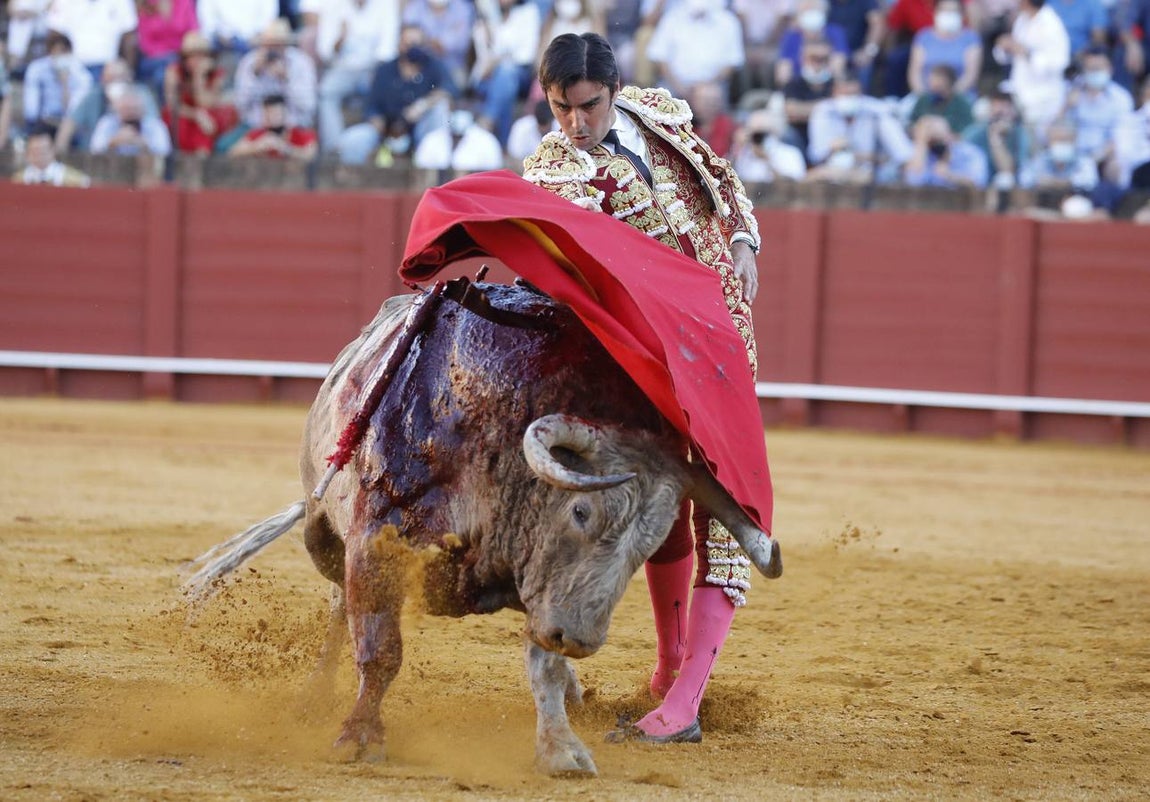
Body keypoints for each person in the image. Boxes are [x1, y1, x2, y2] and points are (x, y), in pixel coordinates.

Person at [523, 32, 763, 744]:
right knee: (672, 495)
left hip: (728, 338)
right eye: (562, 108)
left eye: (589, 106)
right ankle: (670, 675)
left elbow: (722, 181)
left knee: (726, 508)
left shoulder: (660, 113)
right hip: (653, 356)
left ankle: (681, 697)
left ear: (616, 92)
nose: (576, 123)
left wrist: (745, 242)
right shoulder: (550, 172)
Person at [336, 24, 457, 165]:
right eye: (408, 43)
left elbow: (450, 89)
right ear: (399, 44)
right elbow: (372, 105)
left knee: (440, 109)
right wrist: (377, 122)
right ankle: (354, 182)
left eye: (417, 43)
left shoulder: (433, 66)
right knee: (353, 140)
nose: (412, 48)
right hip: (388, 132)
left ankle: (431, 172)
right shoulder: (385, 70)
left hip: (421, 131)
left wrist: (422, 105)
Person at [313, 0, 403, 153]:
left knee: (384, 90)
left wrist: (376, 73)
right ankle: (334, 148)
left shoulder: (386, 4)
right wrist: (340, 39)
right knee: (326, 92)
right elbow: (325, 51)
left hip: (374, 68)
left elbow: (387, 49)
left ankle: (381, 144)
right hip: (343, 68)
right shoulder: (333, 6)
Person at [806, 71, 913, 183]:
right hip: (832, 174)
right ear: (835, 92)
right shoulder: (823, 111)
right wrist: (831, 150)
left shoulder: (877, 110)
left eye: (853, 94)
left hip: (872, 176)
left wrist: (857, 157)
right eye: (846, 94)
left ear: (861, 93)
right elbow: (816, 156)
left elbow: (902, 153)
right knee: (816, 176)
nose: (850, 98)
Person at [470, 0, 542, 146]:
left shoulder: (528, 12)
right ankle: (503, 145)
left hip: (519, 73)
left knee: (506, 73)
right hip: (486, 76)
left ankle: (488, 120)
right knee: (503, 88)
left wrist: (497, 61)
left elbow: (525, 55)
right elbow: (483, 57)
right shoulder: (487, 14)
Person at [993, 0, 1071, 130]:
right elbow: (1008, 55)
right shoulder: (1022, 20)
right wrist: (1006, 47)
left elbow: (1059, 64)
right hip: (1019, 91)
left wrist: (1027, 53)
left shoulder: (1051, 24)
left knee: (1036, 142)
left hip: (1044, 99)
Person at [56, 57, 159, 153]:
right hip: (98, 160)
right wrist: (61, 157)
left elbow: (153, 126)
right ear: (103, 80)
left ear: (129, 77)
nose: (116, 82)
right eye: (111, 78)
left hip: (141, 158)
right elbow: (69, 124)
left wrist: (134, 137)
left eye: (120, 77)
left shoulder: (141, 94)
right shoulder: (94, 95)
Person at [646, 0, 746, 98]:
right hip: (674, 86)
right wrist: (680, 88)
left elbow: (732, 62)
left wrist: (706, 86)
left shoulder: (729, 21)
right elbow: (660, 58)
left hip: (713, 87)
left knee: (709, 96)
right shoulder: (671, 18)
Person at [234, 18, 317, 131]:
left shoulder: (302, 62)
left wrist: (286, 79)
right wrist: (255, 74)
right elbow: (240, 105)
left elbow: (309, 106)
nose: (272, 50)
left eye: (277, 45)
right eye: (269, 45)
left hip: (293, 128)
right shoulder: (249, 62)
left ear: (285, 45)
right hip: (256, 129)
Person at [162, 31, 238, 154]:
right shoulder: (174, 72)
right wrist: (196, 115)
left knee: (219, 115)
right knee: (178, 120)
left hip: (206, 116)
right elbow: (172, 104)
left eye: (201, 55)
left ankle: (204, 153)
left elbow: (206, 103)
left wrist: (199, 77)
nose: (196, 60)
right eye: (192, 55)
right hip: (184, 115)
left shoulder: (216, 74)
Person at [1063, 48, 1135, 174]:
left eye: (1098, 68)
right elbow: (1051, 133)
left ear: (1110, 69)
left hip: (1103, 157)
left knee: (1116, 165)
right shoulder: (1070, 91)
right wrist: (1066, 106)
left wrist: (1092, 160)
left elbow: (1121, 137)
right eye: (1090, 69)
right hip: (1071, 156)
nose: (1094, 73)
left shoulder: (1121, 98)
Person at [20, 32, 93, 138]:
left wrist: (65, 84)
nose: (60, 56)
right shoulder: (37, 69)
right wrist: (35, 120)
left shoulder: (80, 74)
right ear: (50, 52)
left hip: (68, 123)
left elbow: (74, 110)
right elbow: (31, 107)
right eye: (57, 51)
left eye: (64, 52)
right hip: (43, 120)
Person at [46, 0, 138, 82]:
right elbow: (55, 35)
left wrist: (128, 70)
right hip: (73, 68)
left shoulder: (122, 2)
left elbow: (129, 37)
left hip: (108, 67)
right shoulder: (63, 2)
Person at [961, 87, 1032, 192]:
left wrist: (996, 138)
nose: (1000, 110)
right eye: (996, 105)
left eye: (1005, 106)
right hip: (977, 182)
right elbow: (962, 157)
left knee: (1005, 179)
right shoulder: (975, 132)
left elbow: (1008, 170)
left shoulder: (1020, 134)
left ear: (1013, 111)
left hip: (1009, 187)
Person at [907, 0, 983, 96]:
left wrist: (949, 97)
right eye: (944, 10)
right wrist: (924, 97)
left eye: (954, 11)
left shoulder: (971, 38)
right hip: (926, 97)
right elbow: (915, 73)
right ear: (935, 12)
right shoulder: (923, 37)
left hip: (961, 98)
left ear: (962, 14)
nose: (949, 14)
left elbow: (971, 75)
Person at [401, 0, 476, 87]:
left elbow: (460, 44)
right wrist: (434, 43)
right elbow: (408, 40)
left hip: (451, 68)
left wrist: (425, 41)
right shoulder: (415, 7)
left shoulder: (463, 8)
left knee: (453, 87)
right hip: (419, 66)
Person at [776, 0, 851, 87]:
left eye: (814, 9)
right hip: (799, 85)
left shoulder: (835, 32)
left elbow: (839, 63)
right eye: (806, 10)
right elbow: (783, 68)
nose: (810, 13)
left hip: (828, 85)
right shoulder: (791, 36)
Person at [782, 37, 837, 155]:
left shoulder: (837, 83)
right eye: (813, 58)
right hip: (801, 137)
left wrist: (805, 110)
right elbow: (792, 112)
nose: (818, 63)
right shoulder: (794, 83)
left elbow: (844, 108)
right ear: (803, 58)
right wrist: (828, 107)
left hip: (831, 138)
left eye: (823, 59)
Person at [903, 113, 989, 187]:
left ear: (950, 134)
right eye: (932, 140)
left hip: (965, 203)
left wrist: (949, 176)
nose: (937, 144)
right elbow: (913, 181)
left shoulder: (969, 153)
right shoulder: (924, 152)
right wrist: (921, 141)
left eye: (939, 138)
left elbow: (979, 183)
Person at [134, 0, 199, 99]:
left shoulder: (184, 3)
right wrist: (169, 54)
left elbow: (193, 30)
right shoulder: (146, 5)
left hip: (181, 55)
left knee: (161, 75)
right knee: (166, 69)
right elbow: (146, 44)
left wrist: (180, 52)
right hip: (154, 59)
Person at [413, 104, 505, 172]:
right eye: (455, 111)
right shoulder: (432, 139)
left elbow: (494, 172)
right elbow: (421, 168)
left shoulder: (487, 140)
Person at [227, 93, 318, 160]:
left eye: (275, 113)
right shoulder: (258, 134)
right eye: (268, 114)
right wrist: (256, 147)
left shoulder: (301, 134)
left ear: (285, 114)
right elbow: (232, 153)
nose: (271, 118)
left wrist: (285, 148)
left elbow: (312, 155)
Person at [731, 107, 808, 182]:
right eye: (753, 134)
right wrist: (737, 150)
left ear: (774, 132)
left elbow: (796, 185)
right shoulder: (744, 155)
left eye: (761, 134)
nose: (757, 138)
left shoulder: (790, 154)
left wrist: (767, 161)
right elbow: (728, 181)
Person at [11, 124, 91, 186]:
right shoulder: (18, 180)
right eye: (34, 151)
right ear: (28, 153)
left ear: (53, 149)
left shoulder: (76, 181)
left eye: (42, 151)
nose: (39, 156)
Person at [907, 63, 975, 134]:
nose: (933, 83)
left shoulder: (962, 103)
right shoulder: (924, 100)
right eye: (932, 79)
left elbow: (968, 130)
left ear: (949, 82)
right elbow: (911, 123)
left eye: (938, 80)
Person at [196, 0, 280, 56]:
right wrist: (219, 33)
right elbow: (206, 17)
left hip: (255, 40)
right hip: (220, 41)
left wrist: (258, 34)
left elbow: (269, 16)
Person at [688, 80, 738, 158]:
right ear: (693, 101)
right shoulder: (683, 126)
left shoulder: (730, 126)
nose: (709, 105)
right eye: (705, 101)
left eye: (714, 101)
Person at [507, 98, 558, 163]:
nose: (543, 129)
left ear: (553, 119)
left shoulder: (562, 128)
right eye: (541, 124)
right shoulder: (521, 127)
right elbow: (514, 158)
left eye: (546, 124)